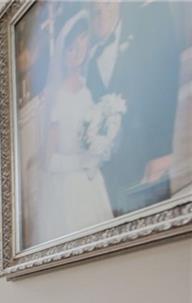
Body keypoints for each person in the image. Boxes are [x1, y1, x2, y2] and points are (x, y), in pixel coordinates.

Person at [87, 1, 182, 216]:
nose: (102, 15)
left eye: (108, 5)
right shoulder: (90, 61)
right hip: (110, 177)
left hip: (147, 159)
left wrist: (162, 151)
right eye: (96, 11)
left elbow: (163, 87)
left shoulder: (145, 30)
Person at [34, 10, 113, 245]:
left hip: (92, 180)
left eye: (82, 45)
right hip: (68, 188)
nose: (77, 54)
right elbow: (49, 160)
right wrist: (83, 162)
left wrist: (99, 149)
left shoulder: (89, 87)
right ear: (63, 51)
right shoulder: (56, 96)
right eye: (71, 48)